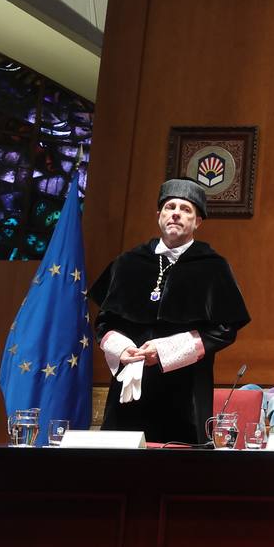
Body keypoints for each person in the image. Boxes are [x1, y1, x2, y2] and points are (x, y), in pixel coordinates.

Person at [91, 178, 250, 444]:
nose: (176, 213)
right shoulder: (127, 263)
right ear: (159, 216)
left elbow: (224, 329)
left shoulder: (212, 267)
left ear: (197, 222)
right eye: (170, 207)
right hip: (130, 383)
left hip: (185, 388)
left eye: (186, 209)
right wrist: (122, 349)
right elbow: (104, 322)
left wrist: (165, 351)